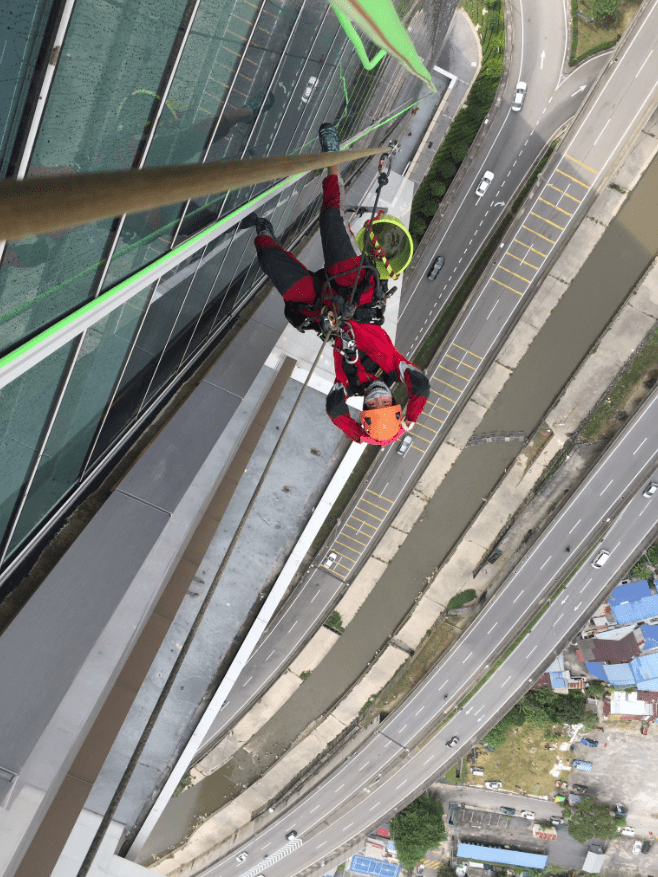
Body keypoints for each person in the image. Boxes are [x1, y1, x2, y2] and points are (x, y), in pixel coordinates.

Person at [242, 124, 429, 445]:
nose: (378, 398)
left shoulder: (348, 386)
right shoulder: (396, 369)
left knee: (270, 263)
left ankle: (261, 229)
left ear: (365, 408)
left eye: (373, 406)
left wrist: (363, 436)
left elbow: (335, 412)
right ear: (395, 404)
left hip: (325, 309)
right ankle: (332, 159)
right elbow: (421, 386)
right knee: (329, 220)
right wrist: (409, 421)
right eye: (387, 403)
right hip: (356, 294)